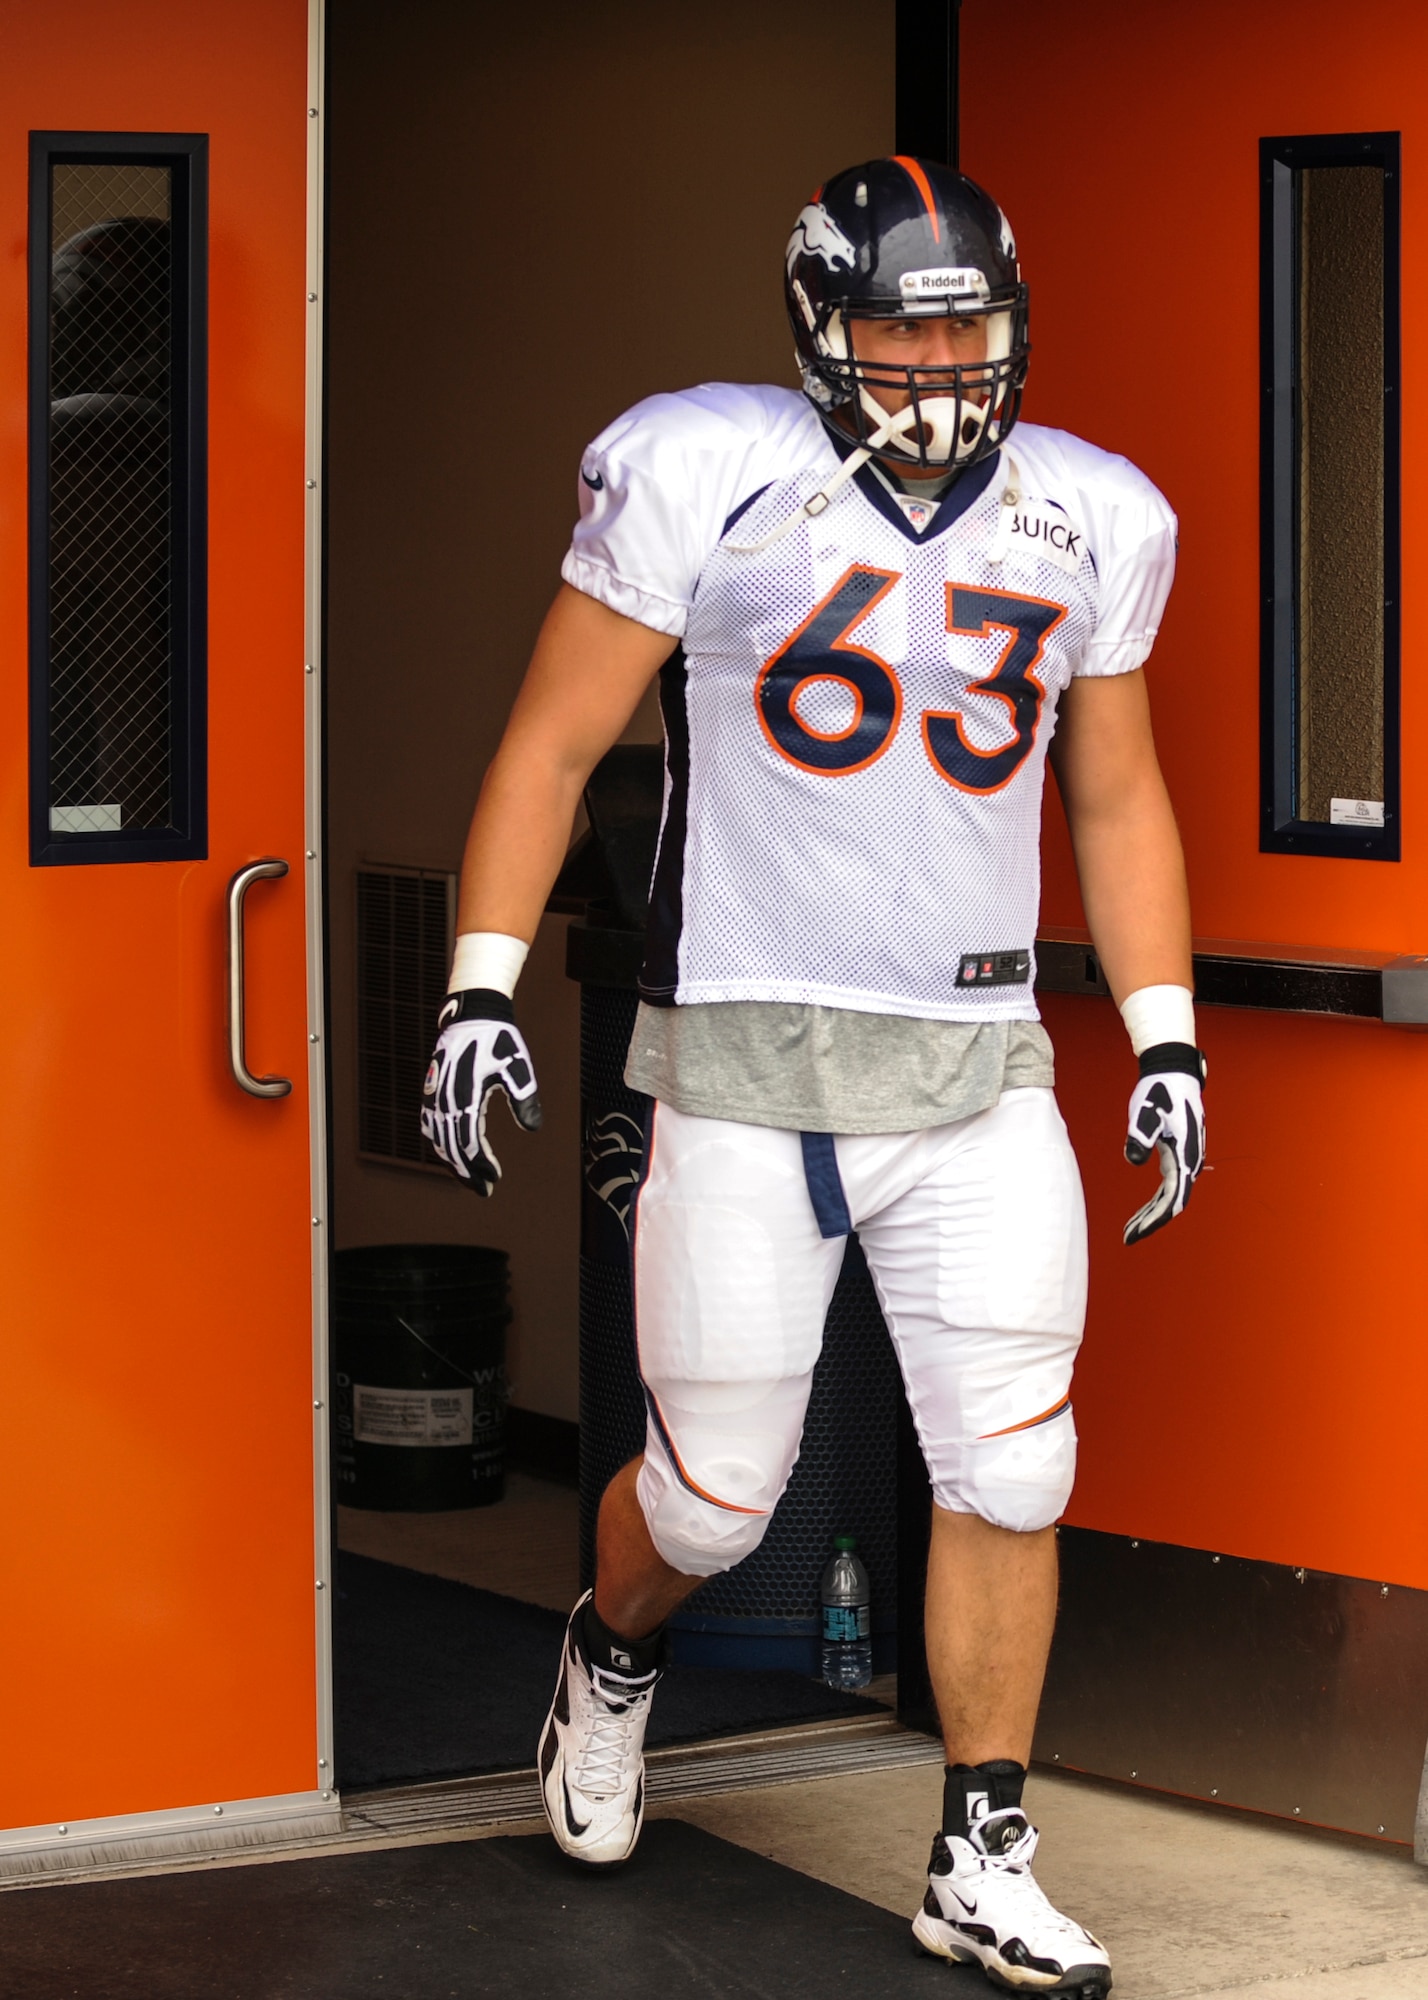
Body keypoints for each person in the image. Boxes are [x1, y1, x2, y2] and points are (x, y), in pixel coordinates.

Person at [422, 156, 1205, 1997]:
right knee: (712, 1501)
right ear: (817, 329)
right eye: (901, 330)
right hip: (746, 1052)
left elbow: (1114, 792)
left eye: (972, 330)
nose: (941, 371)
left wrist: (1166, 1031)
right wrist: (476, 986)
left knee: (1014, 1464)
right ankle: (613, 1653)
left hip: (979, 1052)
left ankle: (983, 1846)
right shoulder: (711, 469)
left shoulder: (1093, 513)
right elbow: (550, 747)